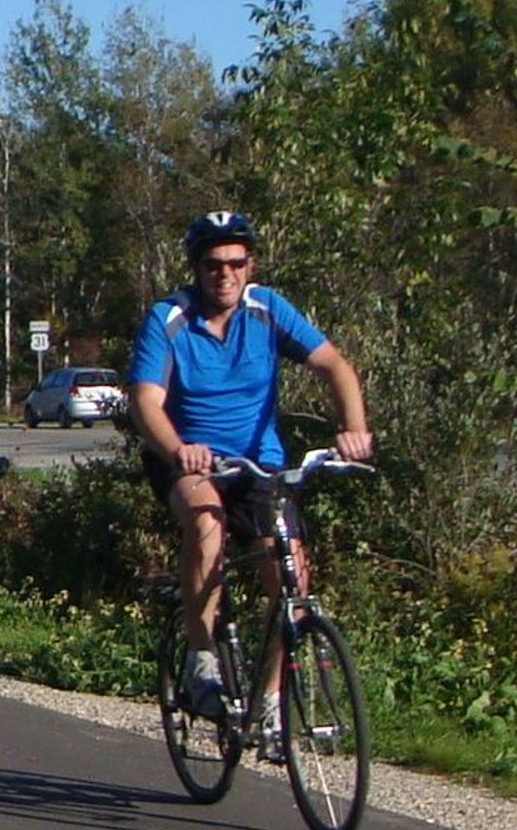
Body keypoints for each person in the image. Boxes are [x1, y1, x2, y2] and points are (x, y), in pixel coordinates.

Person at [127, 211, 373, 719]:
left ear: (250, 265)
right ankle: (201, 662)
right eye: (214, 264)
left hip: (258, 465)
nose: (226, 274)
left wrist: (353, 428)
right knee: (206, 520)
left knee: (290, 578)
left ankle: (270, 699)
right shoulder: (168, 319)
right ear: (197, 268)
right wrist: (179, 449)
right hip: (186, 458)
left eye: (236, 263)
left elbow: (335, 365)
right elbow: (146, 402)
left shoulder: (267, 309)